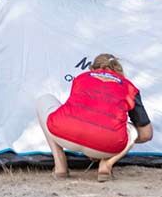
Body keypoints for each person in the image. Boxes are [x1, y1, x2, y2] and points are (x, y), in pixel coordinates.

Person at [36, 54, 153, 182]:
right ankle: (106, 165)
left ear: (93, 68)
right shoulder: (129, 87)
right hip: (106, 146)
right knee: (133, 131)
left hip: (64, 135)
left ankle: (60, 165)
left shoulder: (81, 78)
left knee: (44, 100)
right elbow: (146, 134)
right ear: (119, 71)